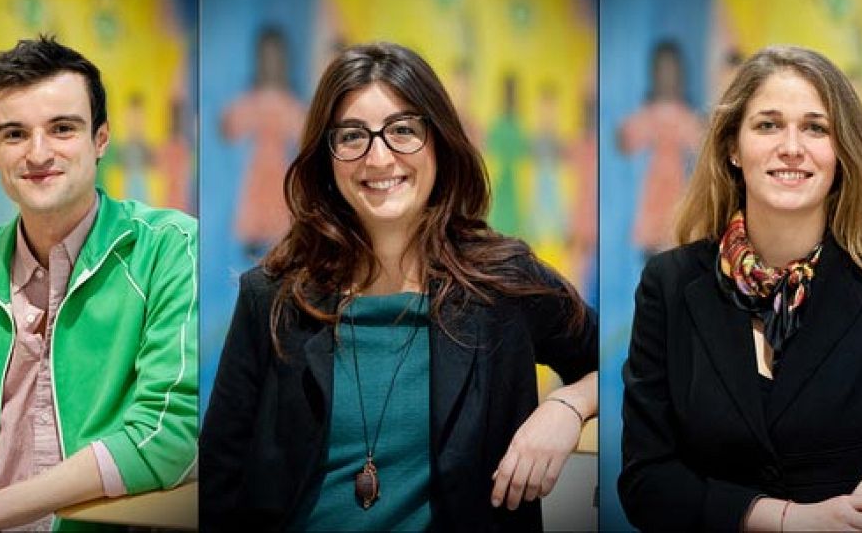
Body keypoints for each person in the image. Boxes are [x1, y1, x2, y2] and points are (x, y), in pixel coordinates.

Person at [200, 42, 598, 530]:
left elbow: (634, 365)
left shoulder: (502, 282)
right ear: (326, 157)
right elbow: (221, 482)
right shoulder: (273, 296)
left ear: (441, 142)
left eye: (403, 130)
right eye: (352, 136)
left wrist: (568, 406)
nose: (379, 157)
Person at [619, 45, 862, 531]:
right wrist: (783, 519)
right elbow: (645, 481)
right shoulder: (668, 284)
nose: (792, 146)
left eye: (816, 128)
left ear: (841, 153)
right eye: (768, 125)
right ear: (733, 148)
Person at [0, 37, 198, 531]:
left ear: (101, 139)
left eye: (62, 128)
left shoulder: (170, 249)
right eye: (14, 134)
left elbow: (172, 435)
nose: (39, 153)